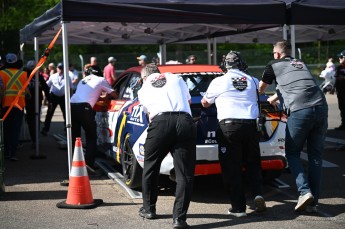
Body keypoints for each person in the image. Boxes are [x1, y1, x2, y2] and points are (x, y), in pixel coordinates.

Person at [259, 41, 328, 213]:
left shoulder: (273, 64)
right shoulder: (300, 63)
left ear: (276, 54)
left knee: (291, 153)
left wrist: (265, 97)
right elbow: (298, 86)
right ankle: (313, 202)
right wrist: (275, 99)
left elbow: (259, 89)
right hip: (321, 107)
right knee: (315, 157)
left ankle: (304, 192)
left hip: (300, 110)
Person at [201, 51, 266, 218]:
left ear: (225, 65)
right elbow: (259, 95)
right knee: (253, 162)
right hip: (251, 126)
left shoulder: (219, 81)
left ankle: (238, 208)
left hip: (229, 126)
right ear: (241, 64)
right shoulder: (253, 80)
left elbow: (206, 103)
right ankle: (258, 193)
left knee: (232, 167)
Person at [138, 63, 196, 229]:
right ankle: (179, 218)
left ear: (144, 78)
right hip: (185, 121)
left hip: (161, 121)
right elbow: (189, 101)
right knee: (185, 173)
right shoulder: (176, 78)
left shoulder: (143, 88)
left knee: (150, 166)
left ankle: (149, 209)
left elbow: (148, 114)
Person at [70, 65, 118, 170]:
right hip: (84, 108)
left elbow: (86, 94)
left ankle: (74, 163)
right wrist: (108, 96)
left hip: (72, 105)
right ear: (99, 72)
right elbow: (115, 95)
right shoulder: (101, 80)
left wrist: (100, 96)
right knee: (91, 136)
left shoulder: (83, 79)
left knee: (75, 136)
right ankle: (89, 164)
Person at [0, 53, 29, 161]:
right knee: (16, 129)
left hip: (6, 105)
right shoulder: (23, 74)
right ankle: (13, 153)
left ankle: (6, 152)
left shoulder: (1, 73)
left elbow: (1, 90)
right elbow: (27, 92)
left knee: (6, 129)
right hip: (19, 106)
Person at [24, 60, 50, 148]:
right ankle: (34, 139)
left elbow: (45, 88)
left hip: (37, 101)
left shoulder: (39, 76)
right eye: (30, 67)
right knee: (31, 121)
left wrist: (49, 99)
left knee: (36, 120)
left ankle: (36, 139)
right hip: (28, 101)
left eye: (33, 67)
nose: (32, 69)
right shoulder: (24, 76)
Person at [41, 62, 72, 136]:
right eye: (59, 68)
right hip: (53, 96)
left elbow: (70, 88)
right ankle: (45, 129)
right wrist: (45, 95)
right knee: (49, 113)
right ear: (57, 68)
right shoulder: (53, 76)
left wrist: (71, 99)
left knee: (66, 113)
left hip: (63, 97)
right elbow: (47, 85)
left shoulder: (68, 77)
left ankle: (67, 129)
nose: (60, 70)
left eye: (62, 68)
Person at [334, 50, 345, 130]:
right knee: (342, 107)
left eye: (341, 57)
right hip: (340, 91)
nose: (339, 58)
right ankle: (344, 123)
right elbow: (336, 78)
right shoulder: (339, 67)